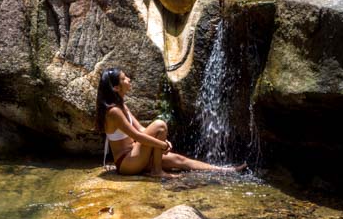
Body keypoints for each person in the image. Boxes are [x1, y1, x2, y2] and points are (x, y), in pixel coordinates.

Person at [95, 67, 247, 177]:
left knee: (179, 160)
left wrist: (162, 140)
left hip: (137, 156)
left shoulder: (121, 105)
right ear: (116, 87)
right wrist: (161, 144)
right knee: (160, 124)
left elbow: (141, 129)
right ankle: (157, 171)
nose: (128, 79)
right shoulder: (113, 112)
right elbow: (137, 136)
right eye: (124, 78)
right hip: (127, 163)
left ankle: (226, 170)